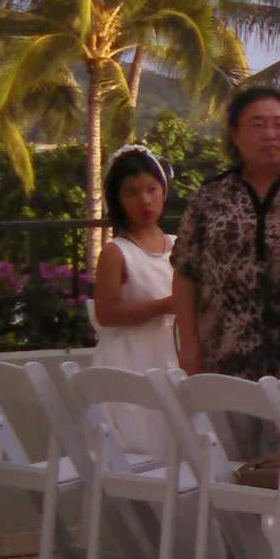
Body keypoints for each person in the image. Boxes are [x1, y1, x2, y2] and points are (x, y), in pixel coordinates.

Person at [172, 86, 280, 390]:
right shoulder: (210, 197)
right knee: (224, 439)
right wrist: (189, 344)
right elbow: (185, 274)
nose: (270, 133)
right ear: (235, 134)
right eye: (257, 125)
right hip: (224, 357)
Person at [89, 146, 181, 457]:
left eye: (151, 189)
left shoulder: (178, 246)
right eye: (132, 193)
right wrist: (166, 305)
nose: (145, 200)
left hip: (172, 354)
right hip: (131, 361)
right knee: (140, 445)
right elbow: (107, 313)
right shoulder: (117, 252)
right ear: (118, 200)